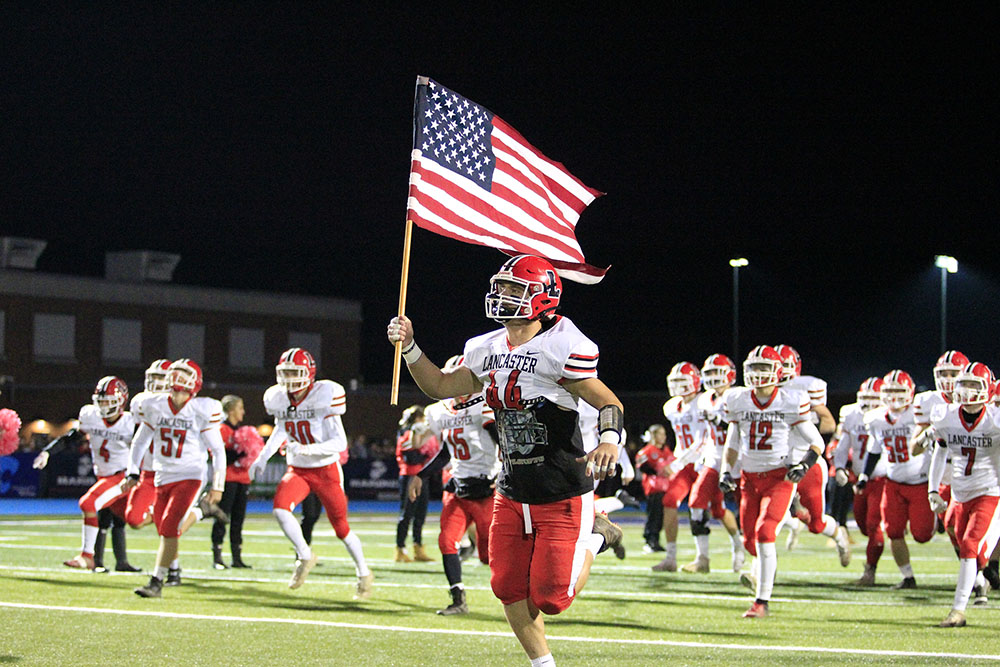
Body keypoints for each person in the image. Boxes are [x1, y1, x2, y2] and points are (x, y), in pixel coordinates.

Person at [387, 254, 625, 666]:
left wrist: (609, 440)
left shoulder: (562, 345)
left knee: (552, 599)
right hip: (511, 489)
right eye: (502, 287)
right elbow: (440, 386)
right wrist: (409, 347)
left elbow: (608, 401)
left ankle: (599, 535)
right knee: (508, 588)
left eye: (515, 289)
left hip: (561, 489)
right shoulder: (484, 347)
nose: (503, 296)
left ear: (544, 297)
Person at [247, 347, 374, 599]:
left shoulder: (323, 396)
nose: (289, 378)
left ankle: (363, 573)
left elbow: (340, 443)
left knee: (341, 528)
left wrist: (307, 448)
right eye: (285, 373)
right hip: (298, 470)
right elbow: (281, 429)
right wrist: (262, 457)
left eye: (295, 372)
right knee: (280, 509)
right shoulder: (279, 398)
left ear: (309, 373)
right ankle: (305, 556)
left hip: (325, 469)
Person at [719, 345, 826, 618]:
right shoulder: (738, 399)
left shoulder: (791, 400)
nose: (758, 373)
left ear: (777, 371)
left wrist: (803, 466)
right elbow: (732, 441)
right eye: (753, 367)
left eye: (764, 367)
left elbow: (817, 442)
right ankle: (766, 576)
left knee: (765, 533)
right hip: (748, 479)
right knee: (750, 541)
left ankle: (762, 601)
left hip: (779, 477)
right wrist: (725, 472)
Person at [407, 355, 501, 615]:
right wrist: (421, 474)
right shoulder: (440, 411)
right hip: (458, 487)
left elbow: (503, 444)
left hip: (486, 488)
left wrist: (504, 474)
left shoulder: (483, 405)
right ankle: (458, 598)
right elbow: (447, 453)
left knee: (487, 556)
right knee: (447, 541)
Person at [126, 359, 227, 598]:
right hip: (162, 474)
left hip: (190, 475)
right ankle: (202, 511)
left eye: (183, 376)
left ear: (194, 382)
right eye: (175, 375)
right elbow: (139, 441)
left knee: (170, 527)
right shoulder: (155, 405)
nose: (176, 381)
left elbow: (218, 450)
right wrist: (132, 471)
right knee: (165, 528)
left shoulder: (201, 409)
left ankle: (156, 581)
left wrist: (218, 484)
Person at [33, 376, 138, 571]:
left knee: (89, 504)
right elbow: (71, 437)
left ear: (121, 401)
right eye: (102, 401)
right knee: (127, 519)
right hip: (103, 475)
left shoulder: (131, 422)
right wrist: (48, 451)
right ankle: (105, 562)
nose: (105, 406)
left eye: (109, 402)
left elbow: (146, 448)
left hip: (122, 476)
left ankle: (88, 557)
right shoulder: (91, 416)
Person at [925, 362, 1000, 627]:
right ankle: (983, 579)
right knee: (964, 543)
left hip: (991, 492)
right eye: (963, 384)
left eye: (974, 385)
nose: (967, 391)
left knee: (971, 544)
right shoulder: (945, 416)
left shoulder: (995, 419)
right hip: (960, 492)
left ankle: (958, 610)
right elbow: (940, 451)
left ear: (988, 389)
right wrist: (933, 488)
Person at [774, 345, 850, 566]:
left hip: (808, 463)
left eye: (784, 365)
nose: (779, 371)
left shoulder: (803, 389)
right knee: (770, 517)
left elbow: (828, 423)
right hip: (776, 464)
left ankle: (839, 536)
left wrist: (805, 428)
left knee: (816, 524)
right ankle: (758, 572)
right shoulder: (758, 395)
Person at [857, 370, 932, 590]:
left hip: (920, 482)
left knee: (922, 535)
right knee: (893, 531)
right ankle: (908, 577)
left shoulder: (918, 414)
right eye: (890, 391)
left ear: (910, 392)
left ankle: (935, 521)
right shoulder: (876, 418)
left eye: (899, 391)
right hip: (893, 483)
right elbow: (874, 450)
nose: (894, 396)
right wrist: (864, 475)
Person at [688, 353, 744, 573]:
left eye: (716, 372)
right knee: (696, 504)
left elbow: (738, 427)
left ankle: (740, 548)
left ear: (730, 374)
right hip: (713, 458)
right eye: (709, 372)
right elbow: (702, 432)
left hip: (738, 458)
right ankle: (702, 558)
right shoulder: (703, 399)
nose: (712, 377)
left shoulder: (738, 396)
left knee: (745, 508)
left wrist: (720, 421)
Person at [652, 362, 709, 573]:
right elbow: (682, 439)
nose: (677, 386)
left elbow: (703, 440)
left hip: (706, 462)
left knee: (717, 510)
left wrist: (676, 463)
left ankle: (736, 552)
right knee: (669, 501)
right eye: (674, 381)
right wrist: (677, 461)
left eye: (681, 381)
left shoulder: (704, 401)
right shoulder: (671, 406)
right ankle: (671, 558)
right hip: (685, 464)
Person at [833, 377, 887, 585]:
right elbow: (842, 445)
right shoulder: (852, 415)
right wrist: (839, 467)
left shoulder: (888, 416)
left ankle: (870, 571)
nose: (869, 404)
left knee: (873, 525)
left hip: (882, 478)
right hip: (859, 481)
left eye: (874, 399)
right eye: (865, 398)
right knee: (864, 525)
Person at [911, 350, 969, 543]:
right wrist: (928, 434)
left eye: (953, 373)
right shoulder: (927, 401)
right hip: (943, 472)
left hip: (972, 469)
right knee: (953, 528)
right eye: (943, 374)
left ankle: (982, 567)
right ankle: (973, 569)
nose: (948, 379)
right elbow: (914, 449)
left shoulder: (978, 399)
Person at [212, 395, 252, 569]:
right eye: (240, 407)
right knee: (222, 517)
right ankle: (217, 558)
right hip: (228, 479)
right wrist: (241, 452)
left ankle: (237, 558)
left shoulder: (242, 431)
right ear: (230, 410)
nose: (242, 411)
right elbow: (220, 456)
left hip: (243, 479)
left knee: (238, 519)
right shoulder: (222, 430)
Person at [395, 405, 437, 563]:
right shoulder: (407, 433)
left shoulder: (423, 434)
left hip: (422, 476)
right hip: (410, 476)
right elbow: (410, 456)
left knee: (420, 514)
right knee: (406, 514)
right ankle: (400, 549)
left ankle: (418, 548)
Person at [636, 424, 674, 553]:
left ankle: (656, 540)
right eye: (660, 433)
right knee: (654, 515)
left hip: (666, 487)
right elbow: (640, 466)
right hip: (654, 488)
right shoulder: (648, 451)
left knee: (662, 516)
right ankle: (650, 539)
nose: (663, 437)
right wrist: (657, 471)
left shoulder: (666, 450)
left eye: (664, 434)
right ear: (653, 435)